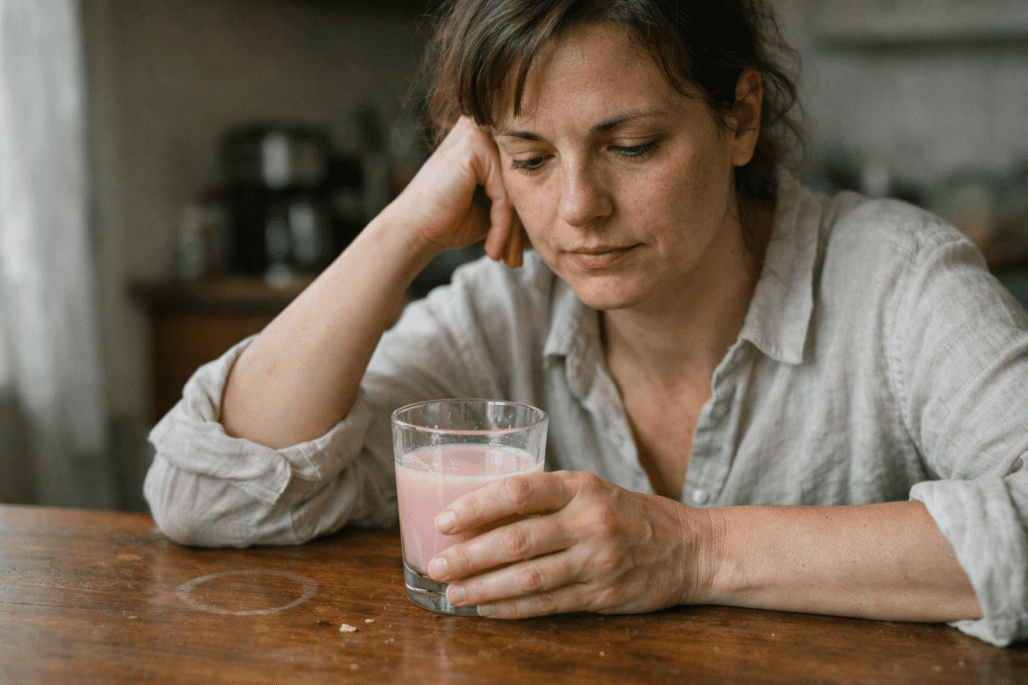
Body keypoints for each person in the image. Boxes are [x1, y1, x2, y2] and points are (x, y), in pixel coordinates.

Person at [144, 0, 1028, 647]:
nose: (577, 209)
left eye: (632, 146)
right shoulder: (500, 315)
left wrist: (691, 553)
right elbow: (206, 492)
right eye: (528, 157)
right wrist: (404, 227)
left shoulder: (899, 280)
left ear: (741, 118)